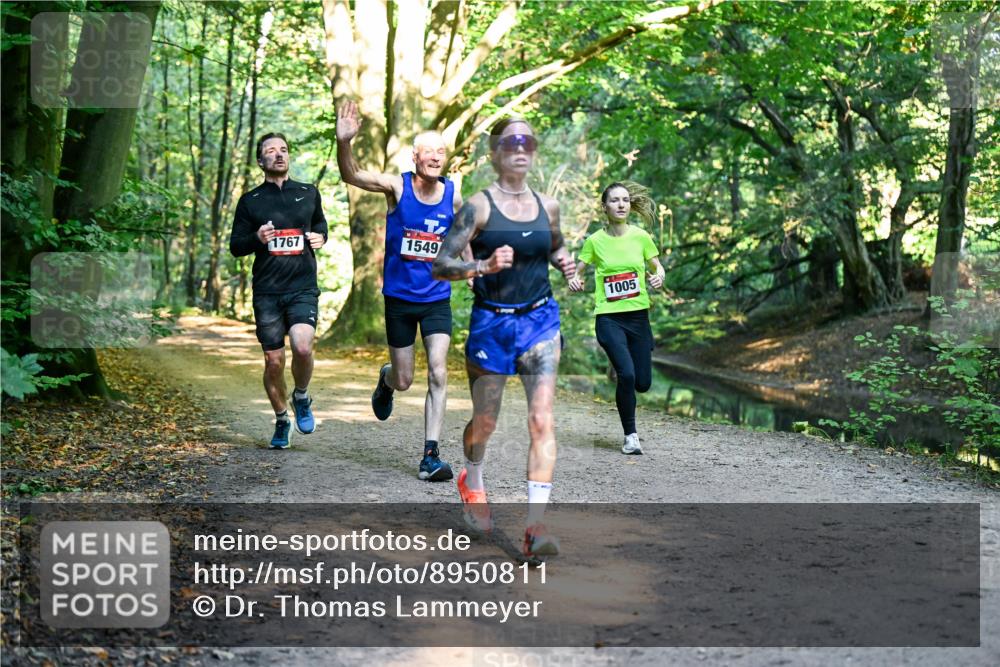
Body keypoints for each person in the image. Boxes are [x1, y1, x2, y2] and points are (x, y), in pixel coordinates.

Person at [433, 117, 575, 559]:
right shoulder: (478, 207)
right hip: (492, 324)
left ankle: (535, 528)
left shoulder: (548, 206)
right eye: (511, 141)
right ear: (495, 152)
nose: (520, 147)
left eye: (527, 140)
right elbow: (440, 264)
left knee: (541, 419)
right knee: (486, 421)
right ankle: (472, 481)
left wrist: (564, 260)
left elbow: (555, 245)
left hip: (540, 322)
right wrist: (482, 266)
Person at [336, 100, 462, 482]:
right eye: (429, 151)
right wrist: (344, 142)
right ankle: (387, 378)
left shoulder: (453, 195)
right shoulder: (396, 186)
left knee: (438, 371)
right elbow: (352, 174)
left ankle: (430, 455)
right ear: (415, 157)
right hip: (400, 300)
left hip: (436, 299)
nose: (435, 157)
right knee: (405, 380)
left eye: (441, 152)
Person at [229, 132, 328, 449]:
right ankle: (282, 419)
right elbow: (236, 246)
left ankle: (301, 396)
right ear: (261, 161)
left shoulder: (308, 192)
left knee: (302, 346)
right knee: (273, 362)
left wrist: (321, 237)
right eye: (271, 151)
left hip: (302, 286)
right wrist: (257, 238)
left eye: (283, 149)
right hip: (268, 292)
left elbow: (320, 225)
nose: (279, 154)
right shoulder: (251, 201)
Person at [569, 181, 665, 455]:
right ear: (605, 207)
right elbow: (577, 272)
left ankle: (630, 379)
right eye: (614, 200)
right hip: (609, 318)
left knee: (642, 383)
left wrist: (659, 277)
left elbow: (658, 267)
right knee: (626, 374)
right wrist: (575, 280)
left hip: (638, 318)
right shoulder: (594, 241)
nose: (621, 204)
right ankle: (630, 436)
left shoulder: (641, 237)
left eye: (625, 200)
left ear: (630, 205)